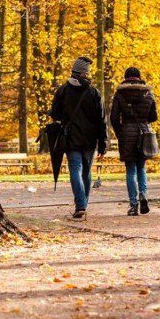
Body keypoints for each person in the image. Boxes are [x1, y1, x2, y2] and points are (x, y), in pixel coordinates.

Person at [50, 56, 108, 220]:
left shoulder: (62, 90)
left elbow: (54, 114)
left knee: (75, 169)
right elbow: (102, 120)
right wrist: (103, 143)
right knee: (86, 171)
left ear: (73, 72)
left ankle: (80, 205)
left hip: (71, 138)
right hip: (90, 140)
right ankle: (84, 203)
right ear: (86, 73)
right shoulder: (94, 92)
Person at [110, 67, 158, 216]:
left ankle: (133, 204)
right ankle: (143, 194)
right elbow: (154, 116)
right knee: (141, 167)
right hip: (144, 133)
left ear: (126, 77)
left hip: (127, 133)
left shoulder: (120, 94)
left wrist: (120, 132)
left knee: (131, 169)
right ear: (139, 77)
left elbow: (113, 117)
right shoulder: (148, 93)